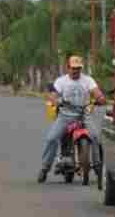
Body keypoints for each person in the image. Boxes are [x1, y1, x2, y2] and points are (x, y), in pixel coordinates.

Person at [39, 55, 106, 183]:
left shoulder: (88, 80)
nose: (75, 71)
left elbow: (96, 92)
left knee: (96, 136)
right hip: (65, 115)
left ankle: (98, 166)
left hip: (85, 114)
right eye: (73, 68)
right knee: (51, 138)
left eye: (78, 68)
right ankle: (44, 168)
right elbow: (53, 95)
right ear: (67, 68)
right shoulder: (61, 81)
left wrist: (100, 98)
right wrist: (56, 101)